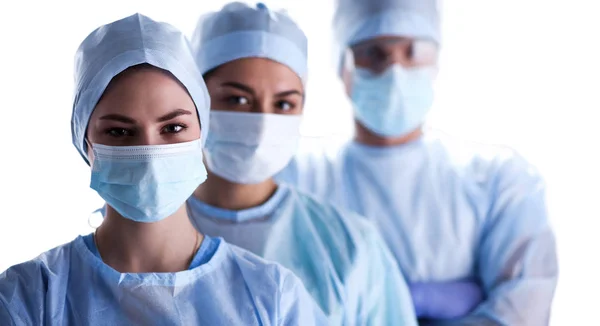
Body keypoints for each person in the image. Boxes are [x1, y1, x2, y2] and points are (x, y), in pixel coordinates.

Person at [0, 13, 326, 326]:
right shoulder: (26, 298)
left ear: (203, 133)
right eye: (119, 131)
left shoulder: (273, 297)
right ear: (84, 142)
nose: (151, 153)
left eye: (172, 128)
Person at [276, 0, 559, 325]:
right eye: (374, 52)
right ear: (343, 66)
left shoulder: (501, 179)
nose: (394, 70)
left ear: (436, 60)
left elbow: (522, 314)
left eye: (413, 51)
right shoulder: (296, 175)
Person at [187, 2, 417, 325]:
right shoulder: (141, 235)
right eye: (238, 99)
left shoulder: (349, 247)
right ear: (193, 99)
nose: (262, 122)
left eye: (283, 103)